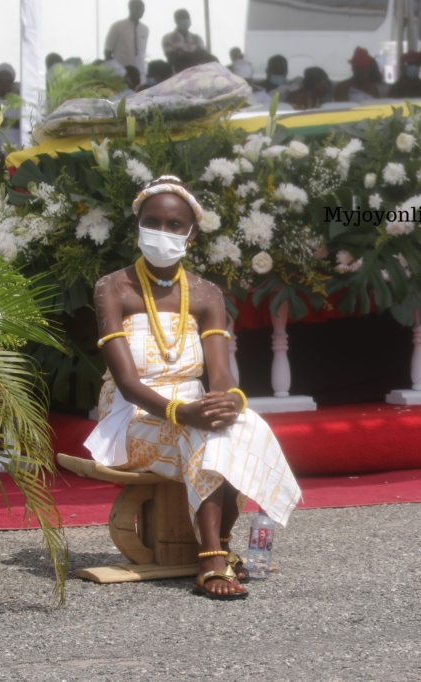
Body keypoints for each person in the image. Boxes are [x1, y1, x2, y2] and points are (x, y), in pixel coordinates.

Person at [87, 176, 301, 600]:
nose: (162, 233)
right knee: (203, 431)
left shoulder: (206, 294)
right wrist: (181, 412)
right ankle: (212, 558)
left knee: (245, 424)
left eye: (173, 225)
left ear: (191, 232)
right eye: (153, 222)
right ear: (138, 225)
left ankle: (217, 544)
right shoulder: (113, 287)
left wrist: (228, 401)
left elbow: (220, 374)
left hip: (191, 403)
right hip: (129, 414)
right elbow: (128, 384)